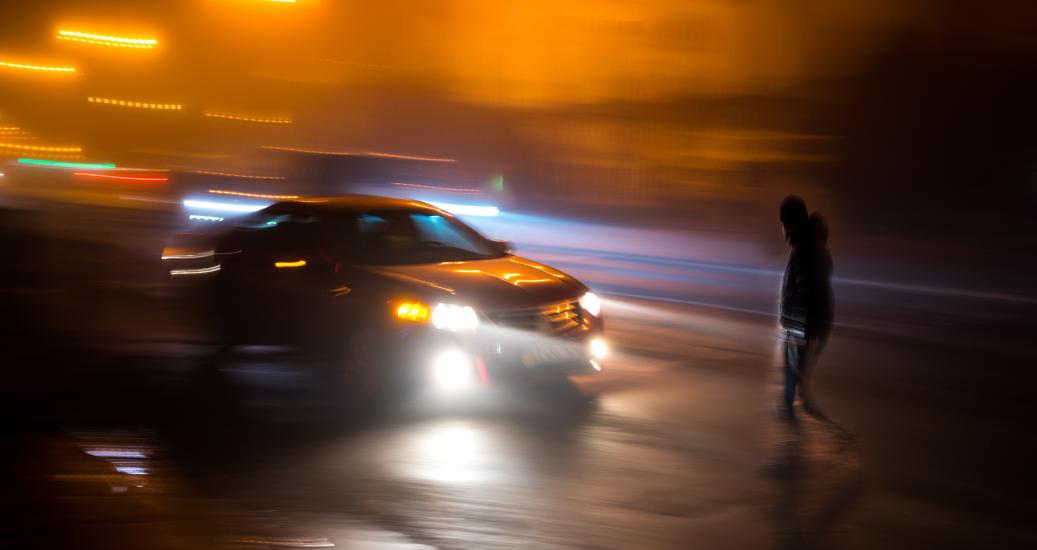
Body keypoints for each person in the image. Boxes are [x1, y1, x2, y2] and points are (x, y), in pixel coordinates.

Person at [777, 196, 834, 422]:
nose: (780, 228)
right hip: (819, 319)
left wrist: (793, 323)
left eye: (782, 223)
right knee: (798, 367)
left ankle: (789, 409)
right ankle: (798, 399)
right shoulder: (811, 245)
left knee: (792, 364)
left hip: (802, 322)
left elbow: (802, 290)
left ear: (789, 224)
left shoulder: (801, 250)